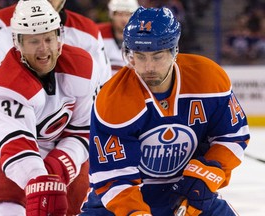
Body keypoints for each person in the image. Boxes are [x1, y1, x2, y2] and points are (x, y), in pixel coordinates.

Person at [80, 6, 250, 216]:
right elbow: (113, 178)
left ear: (174, 51)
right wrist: (135, 213)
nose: (148, 67)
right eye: (140, 56)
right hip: (122, 200)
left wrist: (206, 175)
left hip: (186, 190)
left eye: (157, 56)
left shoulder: (208, 79)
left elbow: (233, 136)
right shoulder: (113, 99)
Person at [0, 0, 99, 215]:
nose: (43, 50)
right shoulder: (6, 85)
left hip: (58, 146)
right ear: (18, 43)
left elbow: (84, 130)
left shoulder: (83, 66)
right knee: (6, 212)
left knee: (83, 210)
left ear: (59, 39)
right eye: (33, 41)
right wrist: (40, 182)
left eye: (48, 39)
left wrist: (56, 169)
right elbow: (17, 148)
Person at [98, 0, 139, 75]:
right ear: (111, 15)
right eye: (119, 14)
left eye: (128, 14)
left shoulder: (143, 36)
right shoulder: (98, 33)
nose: (124, 19)